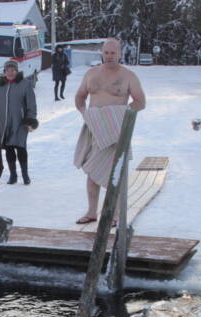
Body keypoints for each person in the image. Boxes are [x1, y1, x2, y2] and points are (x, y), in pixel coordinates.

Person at [73, 38, 146, 225]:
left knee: (116, 173)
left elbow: (140, 102)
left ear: (119, 54)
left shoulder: (128, 76)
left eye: (113, 53)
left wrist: (117, 116)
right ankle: (91, 212)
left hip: (116, 132)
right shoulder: (91, 74)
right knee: (92, 171)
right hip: (95, 130)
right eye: (106, 52)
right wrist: (85, 113)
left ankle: (115, 214)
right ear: (102, 53)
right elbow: (80, 96)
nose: (109, 56)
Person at [0, 59, 38, 185]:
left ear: (17, 71)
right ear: (4, 72)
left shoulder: (25, 84)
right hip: (3, 123)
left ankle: (25, 175)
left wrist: (30, 118)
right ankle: (13, 175)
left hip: (20, 122)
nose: (10, 72)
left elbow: (31, 103)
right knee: (8, 148)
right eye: (8, 70)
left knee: (21, 147)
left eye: (13, 70)